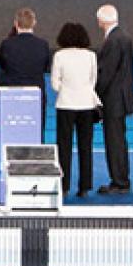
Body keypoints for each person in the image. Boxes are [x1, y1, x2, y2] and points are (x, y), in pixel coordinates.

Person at [50, 22, 99, 198]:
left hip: (65, 104)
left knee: (64, 147)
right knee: (85, 146)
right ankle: (84, 186)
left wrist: (66, 88)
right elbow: (93, 81)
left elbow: (55, 84)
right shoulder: (91, 56)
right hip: (86, 104)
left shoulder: (59, 55)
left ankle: (63, 186)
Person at [94, 4, 133, 195]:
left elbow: (107, 72)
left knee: (114, 141)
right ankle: (121, 178)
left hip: (113, 99)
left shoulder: (113, 40)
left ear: (101, 20)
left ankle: (119, 181)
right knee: (118, 139)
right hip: (122, 97)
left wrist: (95, 94)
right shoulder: (123, 37)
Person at [0, 8, 51, 140]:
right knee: (36, 133)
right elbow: (45, 67)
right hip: (36, 94)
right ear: (34, 23)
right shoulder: (42, 45)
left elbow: (2, 65)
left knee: (11, 134)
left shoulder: (7, 44)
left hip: (11, 95)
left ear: (16, 23)